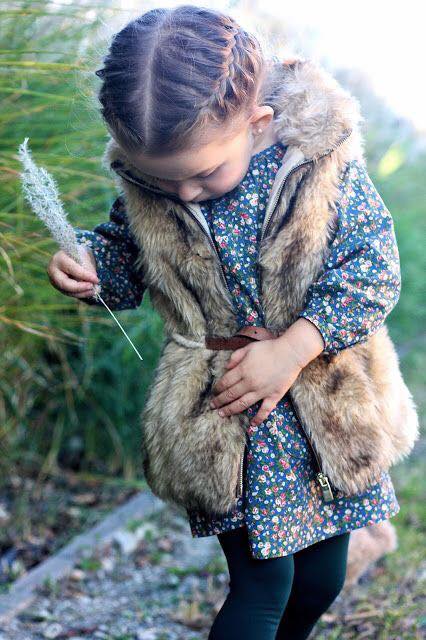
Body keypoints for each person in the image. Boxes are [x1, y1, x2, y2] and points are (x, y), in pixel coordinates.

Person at [46, 6, 403, 639]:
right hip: (231, 411)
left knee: (321, 577)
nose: (183, 195)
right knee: (263, 584)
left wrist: (294, 346)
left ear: (258, 123)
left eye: (205, 174)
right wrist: (92, 264)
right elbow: (129, 262)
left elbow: (372, 272)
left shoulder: (318, 169)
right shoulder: (155, 182)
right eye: (164, 181)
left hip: (323, 399)